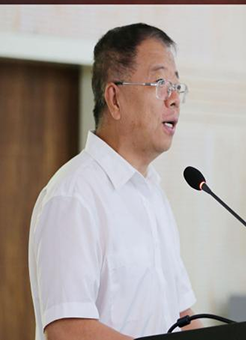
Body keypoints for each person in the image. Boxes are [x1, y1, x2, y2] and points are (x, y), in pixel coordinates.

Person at [28, 24, 199, 339]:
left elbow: (182, 314)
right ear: (115, 98)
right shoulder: (74, 196)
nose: (174, 99)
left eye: (177, 86)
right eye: (161, 83)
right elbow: (67, 329)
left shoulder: (153, 195)